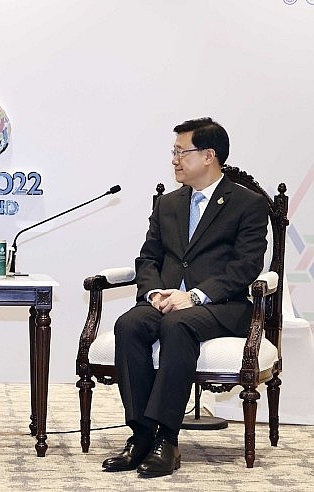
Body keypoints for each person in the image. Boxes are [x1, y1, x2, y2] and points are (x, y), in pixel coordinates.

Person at [102, 117, 268, 478]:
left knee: (178, 325)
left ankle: (167, 439)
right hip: (166, 300)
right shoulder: (168, 204)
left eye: (182, 152)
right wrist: (153, 292)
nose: (174, 160)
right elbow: (148, 258)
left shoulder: (247, 204)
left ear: (209, 155)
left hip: (222, 306)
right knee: (129, 323)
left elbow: (246, 266)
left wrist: (194, 296)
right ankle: (141, 435)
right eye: (173, 152)